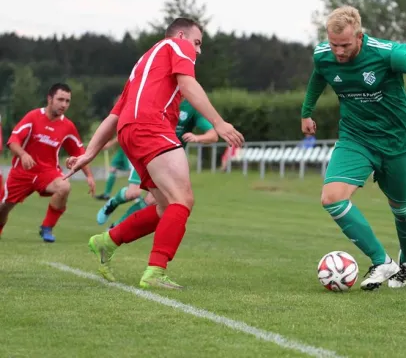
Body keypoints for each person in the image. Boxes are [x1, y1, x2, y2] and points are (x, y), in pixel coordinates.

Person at [64, 18, 244, 290]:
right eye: (197, 43)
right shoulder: (177, 46)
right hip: (151, 127)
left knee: (163, 206)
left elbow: (115, 115)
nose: (198, 50)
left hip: (130, 132)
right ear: (181, 35)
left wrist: (89, 153)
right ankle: (156, 271)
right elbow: (188, 85)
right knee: (182, 199)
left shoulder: (143, 65)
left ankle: (107, 242)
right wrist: (219, 123)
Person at [301, 6, 406, 291]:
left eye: (345, 45)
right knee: (332, 198)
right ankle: (381, 260)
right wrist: (306, 112)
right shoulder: (323, 54)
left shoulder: (389, 53)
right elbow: (319, 75)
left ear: (360, 37)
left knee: (401, 209)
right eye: (333, 44)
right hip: (356, 139)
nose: (338, 52)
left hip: (397, 142)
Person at [97, 97, 219, 228]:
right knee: (134, 193)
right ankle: (113, 203)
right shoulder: (160, 98)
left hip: (168, 162)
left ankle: (116, 227)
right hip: (147, 153)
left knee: (151, 201)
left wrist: (197, 137)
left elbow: (213, 135)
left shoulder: (192, 108)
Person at [0, 83, 95, 241]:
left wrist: (89, 176)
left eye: (67, 101)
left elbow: (80, 153)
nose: (64, 104)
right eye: (60, 99)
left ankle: (47, 228)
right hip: (22, 173)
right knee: (4, 207)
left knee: (64, 186)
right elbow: (13, 140)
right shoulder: (33, 117)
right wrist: (23, 155)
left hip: (47, 172)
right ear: (50, 99)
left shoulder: (68, 126)